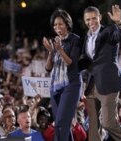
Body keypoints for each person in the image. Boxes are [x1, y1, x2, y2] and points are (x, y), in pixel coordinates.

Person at [78, 5, 121, 141]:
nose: (91, 22)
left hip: (108, 82)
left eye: (94, 19)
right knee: (93, 127)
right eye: (88, 20)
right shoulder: (87, 37)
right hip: (91, 84)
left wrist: (119, 23)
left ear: (100, 17)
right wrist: (70, 66)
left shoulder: (109, 31)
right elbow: (87, 59)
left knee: (108, 123)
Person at [42, 9, 81, 141]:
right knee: (61, 123)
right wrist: (50, 52)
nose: (57, 27)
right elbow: (48, 68)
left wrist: (60, 49)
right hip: (55, 86)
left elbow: (72, 63)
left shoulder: (75, 40)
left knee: (61, 123)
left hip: (71, 85)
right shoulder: (54, 41)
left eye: (60, 24)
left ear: (67, 24)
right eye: (55, 25)